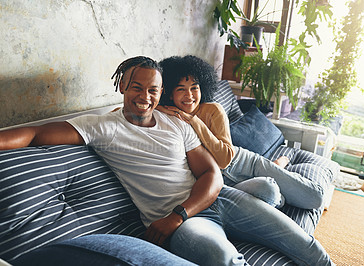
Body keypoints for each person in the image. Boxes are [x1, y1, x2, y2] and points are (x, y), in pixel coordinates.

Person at [0, 56, 334, 266]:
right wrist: (178, 218)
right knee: (221, 257)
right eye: (136, 87)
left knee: (301, 244)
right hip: (188, 224)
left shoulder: (176, 122)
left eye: (154, 89)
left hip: (216, 201)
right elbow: (34, 134)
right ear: (122, 86)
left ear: (161, 93)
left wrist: (179, 213)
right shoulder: (102, 126)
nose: (145, 96)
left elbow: (211, 174)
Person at [158, 55, 325, 210]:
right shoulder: (167, 113)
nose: (189, 95)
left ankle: (277, 166)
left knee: (314, 198)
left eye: (194, 88)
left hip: (247, 164)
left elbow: (224, 159)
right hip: (224, 183)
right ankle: (277, 181)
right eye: (181, 89)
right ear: (169, 94)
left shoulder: (212, 110)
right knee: (269, 191)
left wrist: (194, 121)